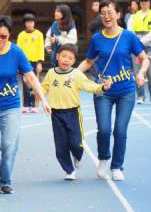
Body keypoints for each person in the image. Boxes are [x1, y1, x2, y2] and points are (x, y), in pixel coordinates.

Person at [0, 15, 51, 194]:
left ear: (9, 35)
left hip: (10, 105)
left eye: (4, 36)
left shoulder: (16, 52)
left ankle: (5, 181)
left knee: (9, 145)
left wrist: (43, 99)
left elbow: (31, 77)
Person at [79, 0, 149, 181]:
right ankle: (103, 158)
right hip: (103, 91)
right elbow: (88, 61)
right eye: (103, 13)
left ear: (118, 15)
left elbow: (144, 58)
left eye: (110, 12)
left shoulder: (129, 37)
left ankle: (117, 166)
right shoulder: (96, 39)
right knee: (103, 129)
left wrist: (141, 73)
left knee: (120, 131)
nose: (106, 16)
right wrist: (72, 75)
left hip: (126, 91)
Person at [41, 44, 112, 180]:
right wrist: (38, 97)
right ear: (57, 57)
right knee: (60, 146)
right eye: (63, 56)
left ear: (74, 61)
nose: (66, 60)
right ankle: (69, 170)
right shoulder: (51, 73)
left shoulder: (76, 74)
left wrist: (102, 87)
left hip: (73, 112)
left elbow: (89, 85)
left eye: (70, 58)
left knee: (76, 143)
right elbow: (43, 87)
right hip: (56, 114)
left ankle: (77, 156)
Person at [127, 0, 151, 104]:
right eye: (142, 1)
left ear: (150, 2)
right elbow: (130, 32)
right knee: (138, 72)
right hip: (136, 50)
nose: (144, 2)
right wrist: (137, 44)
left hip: (150, 48)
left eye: (146, 0)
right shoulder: (133, 17)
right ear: (139, 3)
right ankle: (140, 96)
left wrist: (139, 42)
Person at [16, 13, 44, 113]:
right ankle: (26, 105)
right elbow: (18, 50)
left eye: (31, 22)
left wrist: (39, 63)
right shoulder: (21, 35)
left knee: (34, 83)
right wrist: (18, 64)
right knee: (25, 83)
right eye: (27, 22)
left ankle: (34, 105)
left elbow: (41, 49)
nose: (29, 24)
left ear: (34, 23)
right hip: (24, 63)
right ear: (24, 23)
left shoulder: (39, 34)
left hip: (35, 62)